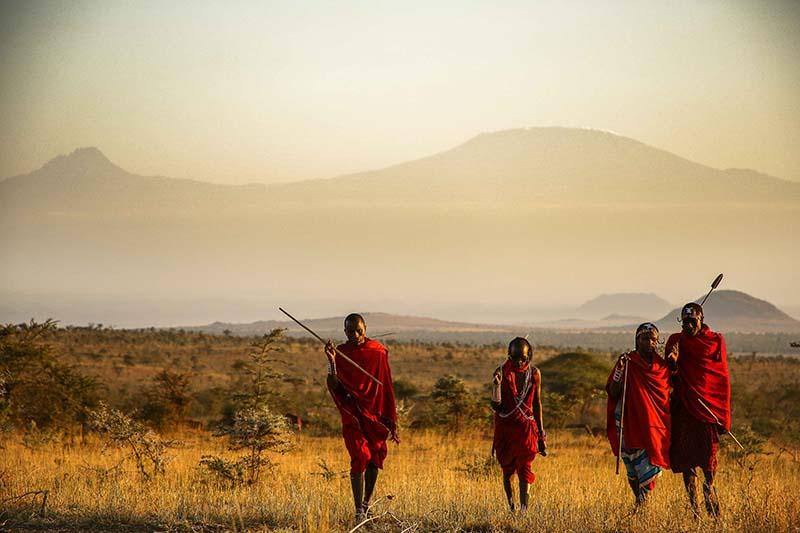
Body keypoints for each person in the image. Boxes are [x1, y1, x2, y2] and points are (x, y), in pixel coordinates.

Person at [324, 313, 398, 523]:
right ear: (344, 331)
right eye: (349, 331)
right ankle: (358, 511)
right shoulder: (341, 353)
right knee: (359, 456)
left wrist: (386, 413)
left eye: (359, 330)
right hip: (353, 413)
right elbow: (335, 385)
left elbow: (386, 385)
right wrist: (331, 362)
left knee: (374, 458)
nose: (354, 335)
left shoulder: (378, 351)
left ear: (365, 328)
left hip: (375, 413)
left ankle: (366, 505)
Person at [665, 303, 730, 517]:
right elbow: (670, 378)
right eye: (685, 322)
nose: (689, 326)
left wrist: (721, 413)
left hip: (706, 409)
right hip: (685, 408)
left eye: (692, 321)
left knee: (708, 458)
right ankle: (695, 508)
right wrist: (673, 364)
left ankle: (709, 489)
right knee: (687, 460)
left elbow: (720, 378)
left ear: (701, 319)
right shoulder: (676, 342)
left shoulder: (714, 341)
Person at [606, 323, 671, 506]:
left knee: (649, 466)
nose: (650, 343)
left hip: (653, 426)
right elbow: (613, 391)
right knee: (633, 471)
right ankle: (639, 502)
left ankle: (642, 506)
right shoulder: (627, 362)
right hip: (629, 424)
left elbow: (665, 396)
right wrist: (619, 370)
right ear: (637, 340)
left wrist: (673, 363)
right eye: (645, 339)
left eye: (653, 340)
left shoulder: (662, 366)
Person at [491, 337, 546, 512]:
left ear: (528, 355)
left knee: (525, 468)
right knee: (507, 471)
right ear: (509, 356)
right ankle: (512, 508)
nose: (519, 362)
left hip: (525, 429)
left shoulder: (534, 373)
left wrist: (541, 435)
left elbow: (537, 403)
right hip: (505, 428)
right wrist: (496, 387)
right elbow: (496, 406)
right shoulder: (501, 372)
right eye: (515, 359)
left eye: (522, 358)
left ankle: (524, 510)